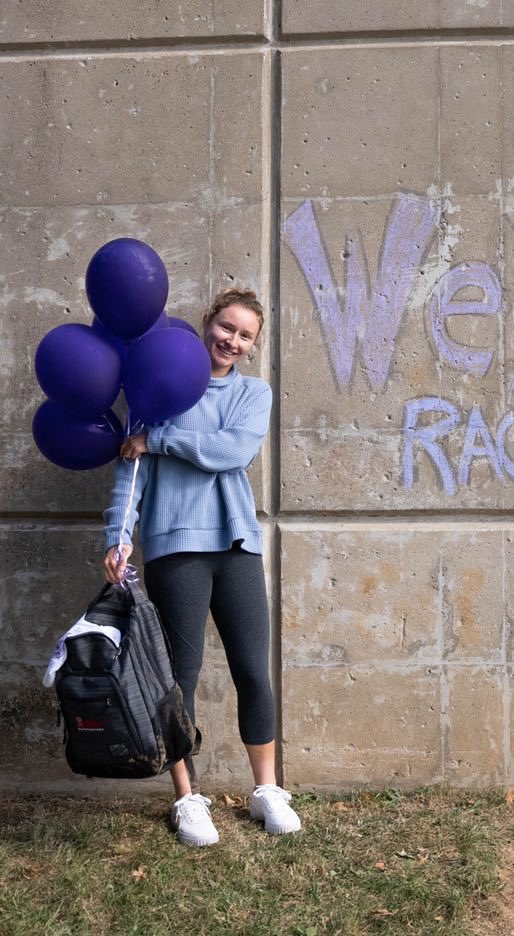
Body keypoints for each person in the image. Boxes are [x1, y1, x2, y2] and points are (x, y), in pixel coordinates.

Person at [102, 287, 300, 847]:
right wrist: (117, 540)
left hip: (236, 546)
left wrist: (157, 440)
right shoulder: (155, 391)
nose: (232, 341)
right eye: (227, 327)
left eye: (246, 336)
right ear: (206, 323)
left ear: (252, 346)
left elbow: (230, 451)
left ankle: (267, 791)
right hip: (173, 550)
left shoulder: (251, 395)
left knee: (253, 673)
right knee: (179, 683)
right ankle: (188, 799)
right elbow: (128, 480)